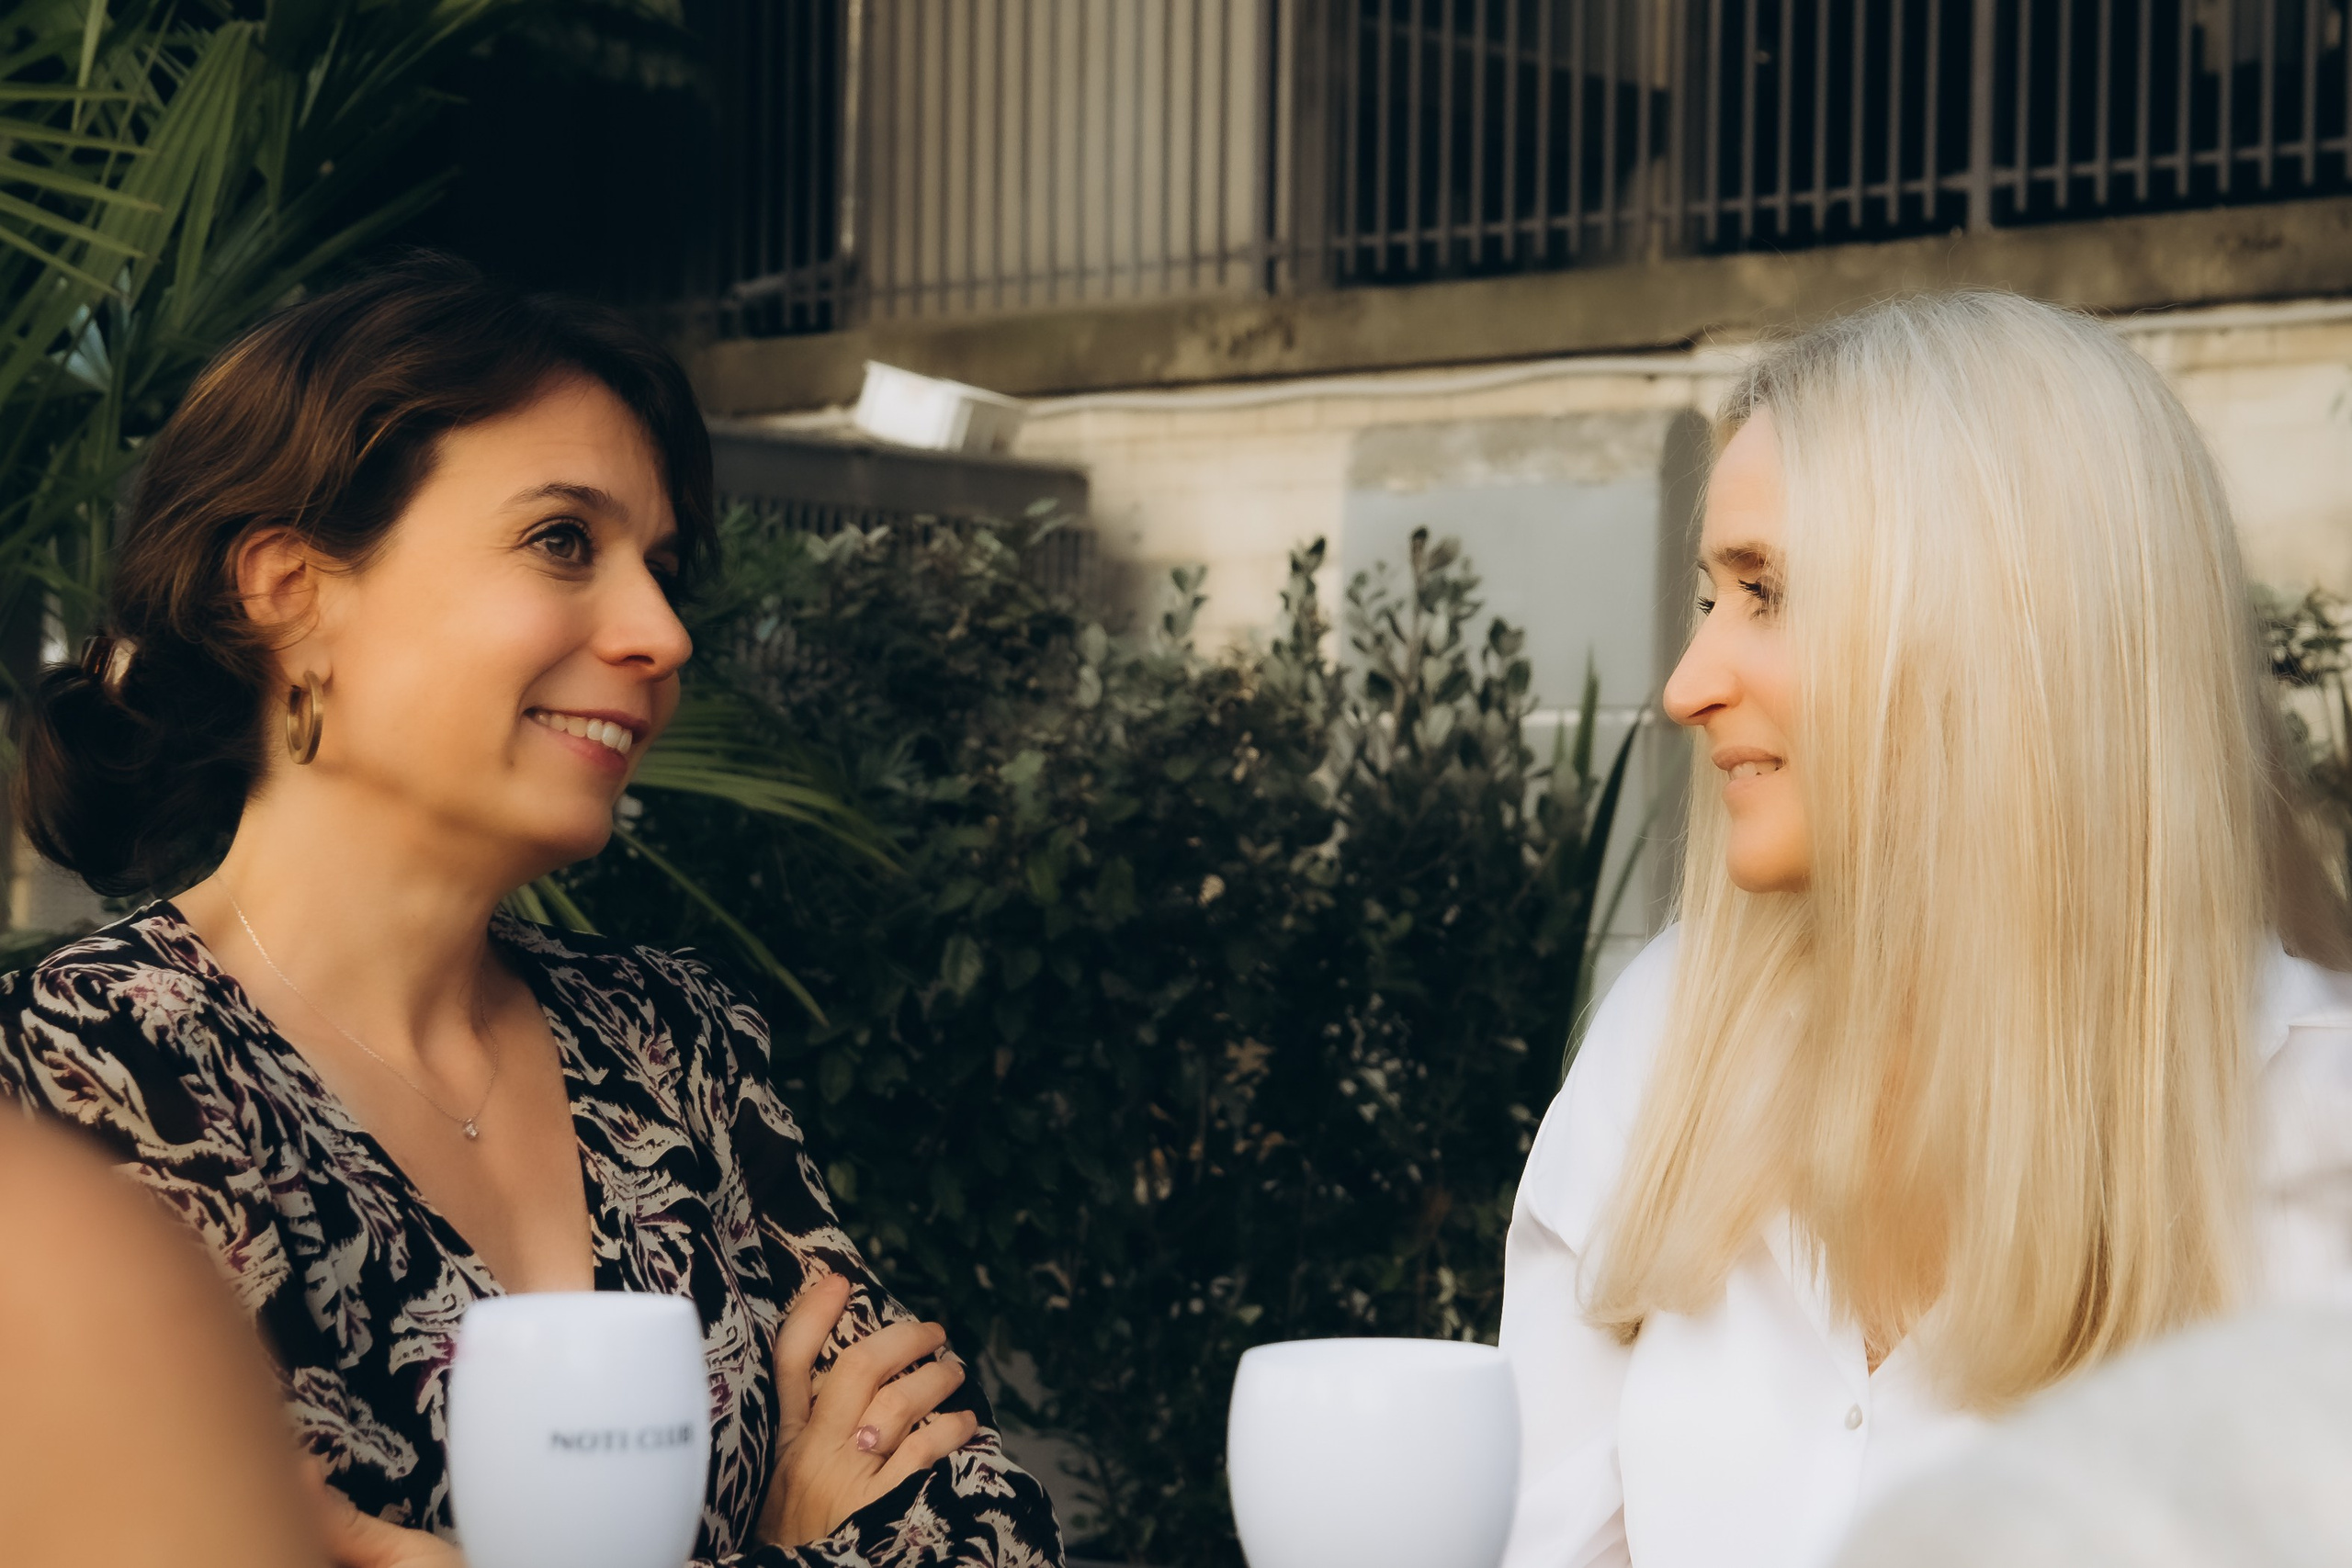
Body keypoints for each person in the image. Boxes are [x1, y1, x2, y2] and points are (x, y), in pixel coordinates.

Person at [0, 256, 1062, 1568]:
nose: (663, 633)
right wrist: (795, 1545)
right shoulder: (82, 1071)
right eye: (564, 540)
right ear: (289, 593)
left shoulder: (674, 1045)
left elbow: (981, 1529)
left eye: (660, 566)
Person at [1496, 291, 2352, 1568]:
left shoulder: (2315, 1139)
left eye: (1767, 592)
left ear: (2006, 638)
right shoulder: (1661, 1041)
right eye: (1711, 595)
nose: (1686, 684)